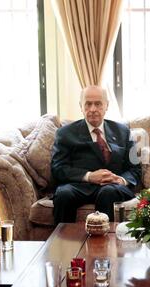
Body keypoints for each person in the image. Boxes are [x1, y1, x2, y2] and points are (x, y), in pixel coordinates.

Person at [51, 85, 141, 224]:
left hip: (113, 188)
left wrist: (121, 180)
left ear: (106, 106)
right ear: (81, 106)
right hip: (79, 186)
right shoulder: (65, 133)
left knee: (107, 192)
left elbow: (135, 168)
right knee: (63, 194)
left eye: (98, 104)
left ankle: (106, 244)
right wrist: (89, 176)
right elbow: (58, 168)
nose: (93, 109)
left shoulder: (123, 131)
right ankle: (63, 244)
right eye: (88, 104)